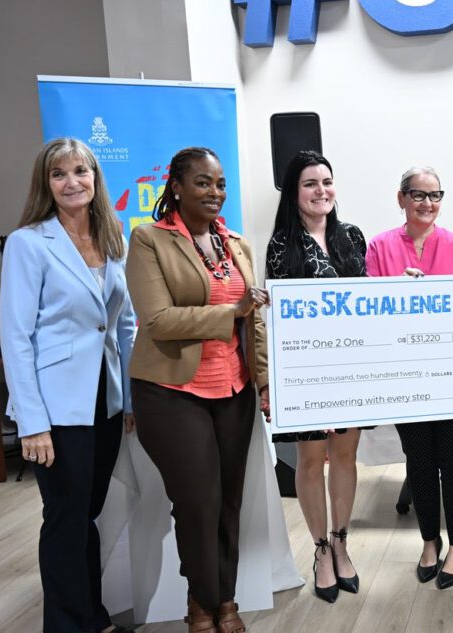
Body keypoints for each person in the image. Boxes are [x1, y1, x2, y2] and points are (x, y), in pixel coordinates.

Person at [126, 147, 269, 633]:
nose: (215, 192)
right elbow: (158, 320)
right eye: (203, 183)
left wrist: (264, 383)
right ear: (177, 187)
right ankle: (204, 602)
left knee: (229, 502)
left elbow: (255, 324)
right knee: (197, 502)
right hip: (171, 391)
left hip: (234, 389)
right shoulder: (149, 239)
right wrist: (231, 312)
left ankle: (222, 600)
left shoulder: (237, 243)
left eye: (220, 183)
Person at [0, 138, 136, 633]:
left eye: (81, 171)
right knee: (65, 517)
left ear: (96, 178)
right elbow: (16, 338)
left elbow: (124, 325)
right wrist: (32, 423)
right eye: (59, 174)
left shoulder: (113, 237)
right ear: (46, 184)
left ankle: (91, 617)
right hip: (55, 408)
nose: (72, 182)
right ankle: (65, 625)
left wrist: (131, 399)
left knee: (87, 513)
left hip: (105, 401)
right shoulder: (29, 243)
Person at [365, 166, 453, 589]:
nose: (427, 203)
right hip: (406, 376)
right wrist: (393, 291)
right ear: (401, 199)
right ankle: (430, 541)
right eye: (418, 195)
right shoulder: (379, 247)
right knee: (419, 462)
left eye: (435, 196)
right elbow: (366, 311)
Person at [266, 150, 367, 604]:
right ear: (294, 192)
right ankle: (321, 549)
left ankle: (342, 542)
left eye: (327, 181)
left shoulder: (352, 236)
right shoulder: (281, 244)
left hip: (352, 368)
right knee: (310, 461)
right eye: (310, 183)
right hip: (307, 371)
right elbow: (283, 321)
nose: (321, 190)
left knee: (345, 457)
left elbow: (367, 300)